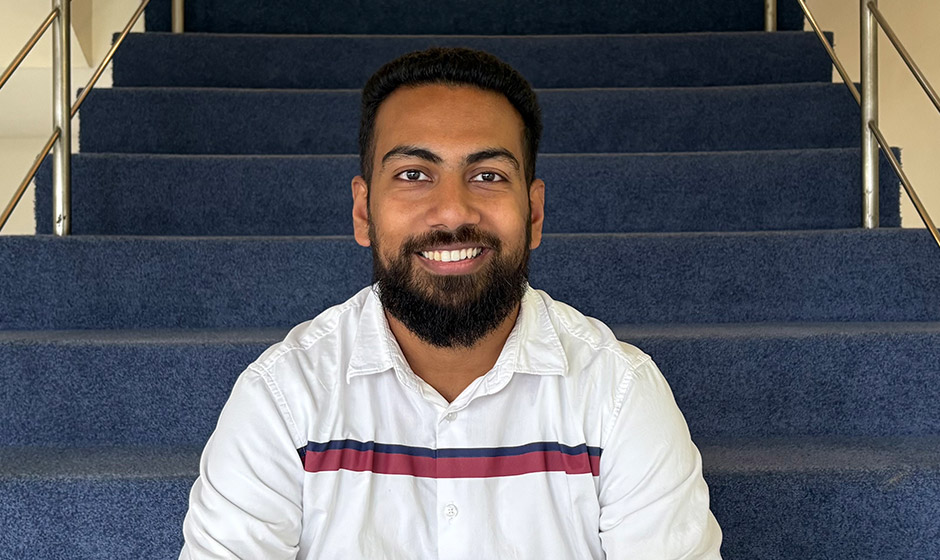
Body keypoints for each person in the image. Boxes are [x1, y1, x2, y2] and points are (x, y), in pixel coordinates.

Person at [180, 47, 722, 559]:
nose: (452, 211)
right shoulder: (283, 397)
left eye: (487, 176)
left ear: (533, 214)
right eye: (414, 175)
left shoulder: (619, 394)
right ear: (363, 212)